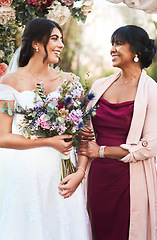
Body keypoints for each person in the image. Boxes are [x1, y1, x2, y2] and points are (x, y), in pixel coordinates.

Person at [0, 18, 91, 240]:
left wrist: (80, 173)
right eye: (55, 38)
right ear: (36, 43)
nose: (61, 44)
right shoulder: (8, 84)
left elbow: (86, 135)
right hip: (22, 173)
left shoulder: (70, 81)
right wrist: (48, 141)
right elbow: (3, 137)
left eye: (61, 39)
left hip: (62, 175)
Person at [79, 25, 157, 240]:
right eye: (112, 44)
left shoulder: (153, 92)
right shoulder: (98, 86)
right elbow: (85, 130)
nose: (113, 49)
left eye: (119, 44)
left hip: (129, 179)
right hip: (96, 177)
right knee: (95, 229)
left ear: (137, 51)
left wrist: (102, 151)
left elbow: (149, 147)